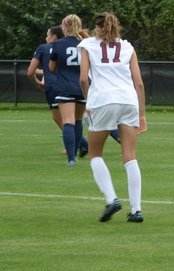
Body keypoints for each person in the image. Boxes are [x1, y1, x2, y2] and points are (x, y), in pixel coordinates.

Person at [78, 12, 147, 223]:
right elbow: (139, 83)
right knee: (130, 156)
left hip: (103, 100)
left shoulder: (87, 45)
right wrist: (142, 114)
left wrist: (89, 102)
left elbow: (83, 79)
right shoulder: (127, 46)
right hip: (128, 100)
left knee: (95, 153)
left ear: (97, 27)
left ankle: (112, 199)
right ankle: (136, 210)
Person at [49, 15, 90, 166]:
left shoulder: (58, 44)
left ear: (65, 27)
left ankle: (71, 158)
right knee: (78, 120)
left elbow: (52, 68)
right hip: (82, 87)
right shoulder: (86, 43)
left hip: (64, 87)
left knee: (68, 121)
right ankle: (75, 156)